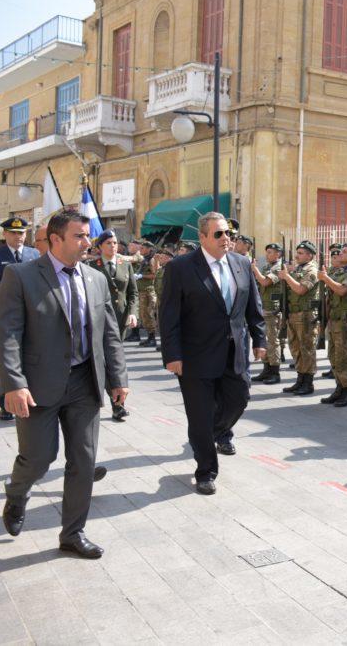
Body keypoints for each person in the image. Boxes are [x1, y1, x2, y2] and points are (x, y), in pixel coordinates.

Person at [0, 210, 128, 558]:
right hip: (37, 385)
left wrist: (118, 379)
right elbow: (8, 333)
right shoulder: (21, 276)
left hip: (84, 382)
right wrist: (13, 383)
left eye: (88, 236)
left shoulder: (96, 279)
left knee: (84, 461)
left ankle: (73, 533)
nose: (89, 243)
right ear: (55, 239)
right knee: (40, 457)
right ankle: (16, 495)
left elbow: (109, 334)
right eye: (80, 236)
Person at [158, 212, 266, 495]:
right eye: (219, 234)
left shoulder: (242, 263)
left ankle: (210, 433)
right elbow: (168, 315)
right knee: (200, 415)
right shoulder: (181, 268)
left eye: (228, 233)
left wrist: (260, 339)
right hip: (195, 356)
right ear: (202, 237)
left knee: (240, 398)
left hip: (235, 352)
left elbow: (253, 306)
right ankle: (205, 470)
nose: (226, 239)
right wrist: (172, 355)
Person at [87, 230, 139, 422]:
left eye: (115, 242)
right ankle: (117, 404)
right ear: (99, 246)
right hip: (99, 321)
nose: (113, 246)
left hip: (120, 320)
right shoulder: (92, 266)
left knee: (116, 361)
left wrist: (133, 313)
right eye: (108, 243)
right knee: (106, 362)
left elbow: (133, 293)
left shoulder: (125, 265)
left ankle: (118, 404)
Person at [0, 217, 42, 421]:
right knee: (6, 357)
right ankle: (5, 403)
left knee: (27, 355)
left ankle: (26, 394)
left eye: (22, 233)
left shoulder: (34, 254)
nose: (18, 237)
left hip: (30, 314)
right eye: (14, 233)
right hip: (4, 314)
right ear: (5, 234)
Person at [318, 243, 347, 408]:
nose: (340, 254)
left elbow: (342, 291)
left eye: (345, 252)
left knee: (345, 357)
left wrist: (326, 279)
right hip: (335, 319)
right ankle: (339, 387)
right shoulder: (339, 272)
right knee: (334, 356)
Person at [279, 240, 320, 396]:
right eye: (297, 252)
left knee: (306, 349)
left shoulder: (312, 270)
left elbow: (301, 289)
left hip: (306, 315)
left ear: (310, 255)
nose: (297, 255)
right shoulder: (299, 269)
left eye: (301, 253)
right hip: (294, 313)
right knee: (295, 348)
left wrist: (287, 276)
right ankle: (300, 379)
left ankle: (308, 382)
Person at [251, 242, 286, 384]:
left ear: (278, 254)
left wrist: (254, 270)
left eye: (270, 252)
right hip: (264, 308)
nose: (267, 254)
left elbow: (265, 282)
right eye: (267, 252)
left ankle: (275, 372)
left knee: (273, 341)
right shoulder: (267, 266)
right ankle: (266, 369)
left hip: (273, 309)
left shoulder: (279, 267)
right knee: (264, 341)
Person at [135, 241, 159, 347]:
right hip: (143, 291)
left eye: (143, 248)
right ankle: (149, 337)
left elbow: (155, 275)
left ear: (149, 249)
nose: (140, 250)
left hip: (149, 291)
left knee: (149, 314)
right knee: (143, 315)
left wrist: (141, 276)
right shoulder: (145, 259)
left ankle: (152, 338)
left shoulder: (152, 259)